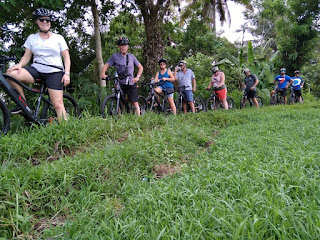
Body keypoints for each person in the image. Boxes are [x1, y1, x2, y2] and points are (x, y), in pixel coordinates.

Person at [6, 8, 71, 121]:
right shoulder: (32, 38)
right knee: (10, 74)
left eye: (48, 20)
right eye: (42, 20)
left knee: (58, 105)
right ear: (37, 21)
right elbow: (27, 56)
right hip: (36, 69)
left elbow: (66, 57)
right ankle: (23, 104)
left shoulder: (58, 38)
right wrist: (20, 65)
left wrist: (67, 73)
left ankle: (67, 132)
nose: (45, 22)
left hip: (54, 72)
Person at [100, 37, 143, 116]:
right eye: (122, 45)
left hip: (131, 82)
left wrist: (137, 77)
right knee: (120, 101)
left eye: (125, 45)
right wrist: (103, 74)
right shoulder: (115, 56)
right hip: (121, 82)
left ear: (127, 46)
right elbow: (106, 65)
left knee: (135, 102)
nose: (123, 47)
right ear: (119, 47)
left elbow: (140, 67)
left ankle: (139, 119)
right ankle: (120, 118)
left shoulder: (132, 56)